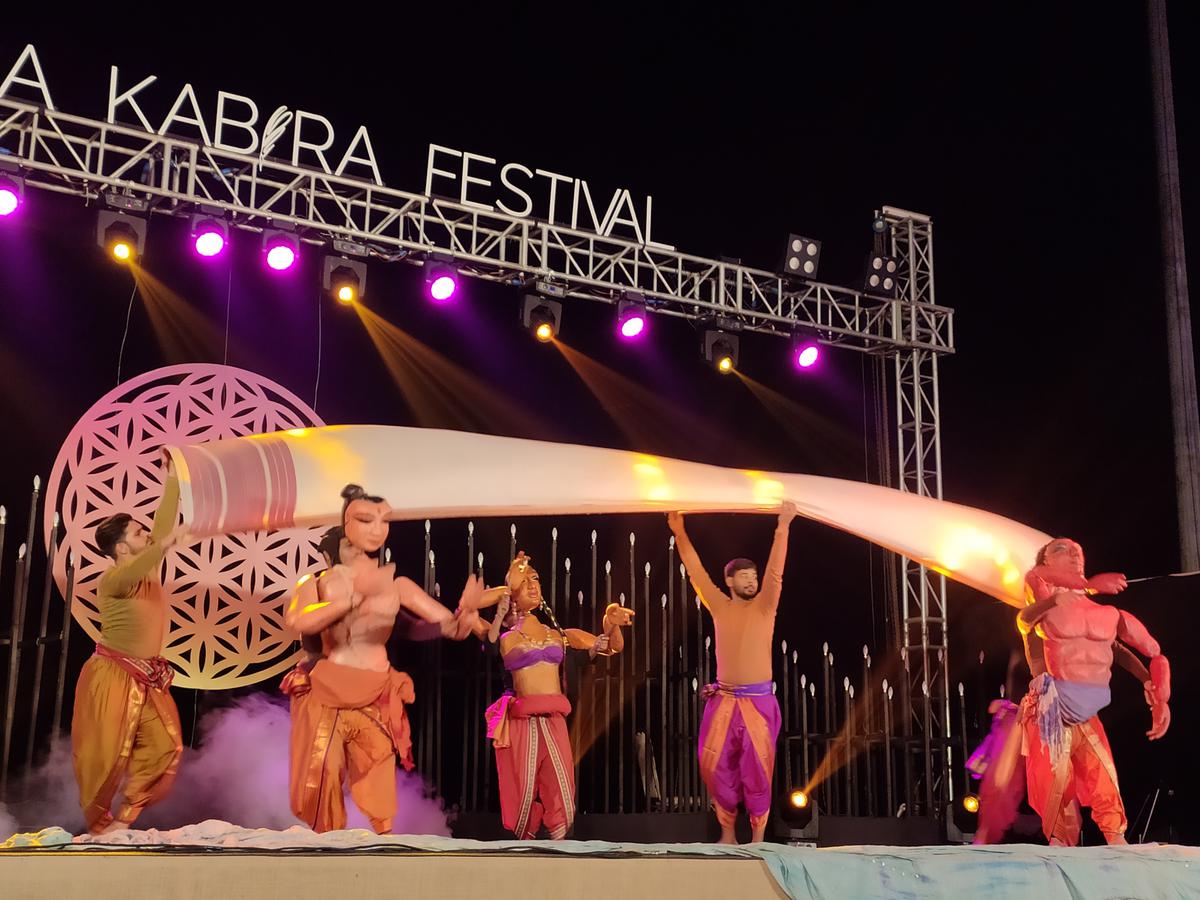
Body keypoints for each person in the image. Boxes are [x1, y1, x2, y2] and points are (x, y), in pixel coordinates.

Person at [282, 484, 482, 833]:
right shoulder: (314, 584)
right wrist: (349, 600)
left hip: (375, 690)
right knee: (324, 772)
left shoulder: (397, 584)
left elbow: (444, 626)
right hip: (329, 691)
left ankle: (382, 840)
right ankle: (323, 843)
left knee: (377, 769)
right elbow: (298, 621)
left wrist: (465, 616)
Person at [1014, 537, 1170, 845]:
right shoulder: (1041, 611)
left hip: (1087, 712)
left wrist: (1151, 685)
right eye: (1061, 549)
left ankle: (1115, 836)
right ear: (1045, 564)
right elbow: (1024, 619)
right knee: (1056, 780)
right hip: (1052, 709)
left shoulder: (1103, 612)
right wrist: (1051, 601)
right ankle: (1061, 840)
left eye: (1077, 550)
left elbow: (1126, 650)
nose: (1073, 553)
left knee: (1103, 775)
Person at [667, 501, 797, 844]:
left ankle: (757, 835)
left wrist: (782, 526)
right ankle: (727, 832)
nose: (753, 581)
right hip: (724, 701)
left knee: (757, 770)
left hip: (757, 703)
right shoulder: (719, 605)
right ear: (729, 581)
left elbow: (775, 572)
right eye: (745, 576)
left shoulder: (765, 606)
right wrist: (680, 532)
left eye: (754, 577)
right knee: (715, 767)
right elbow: (695, 572)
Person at [484, 552, 634, 839]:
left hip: (554, 720)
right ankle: (524, 847)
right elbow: (486, 638)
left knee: (561, 785)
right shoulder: (505, 636)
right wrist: (504, 602)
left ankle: (559, 847)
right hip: (522, 723)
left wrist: (610, 621)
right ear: (510, 592)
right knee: (523, 788)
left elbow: (612, 647)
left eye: (536, 579)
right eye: (525, 581)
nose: (532, 585)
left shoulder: (559, 636)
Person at [72, 463, 187, 834]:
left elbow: (164, 524)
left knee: (165, 746)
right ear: (122, 547)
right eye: (140, 533)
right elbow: (132, 572)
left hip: (146, 676)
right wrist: (164, 546)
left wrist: (171, 478)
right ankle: (98, 825)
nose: (149, 535)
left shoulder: (147, 565)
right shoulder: (114, 580)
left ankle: (122, 821)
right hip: (113, 676)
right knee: (103, 759)